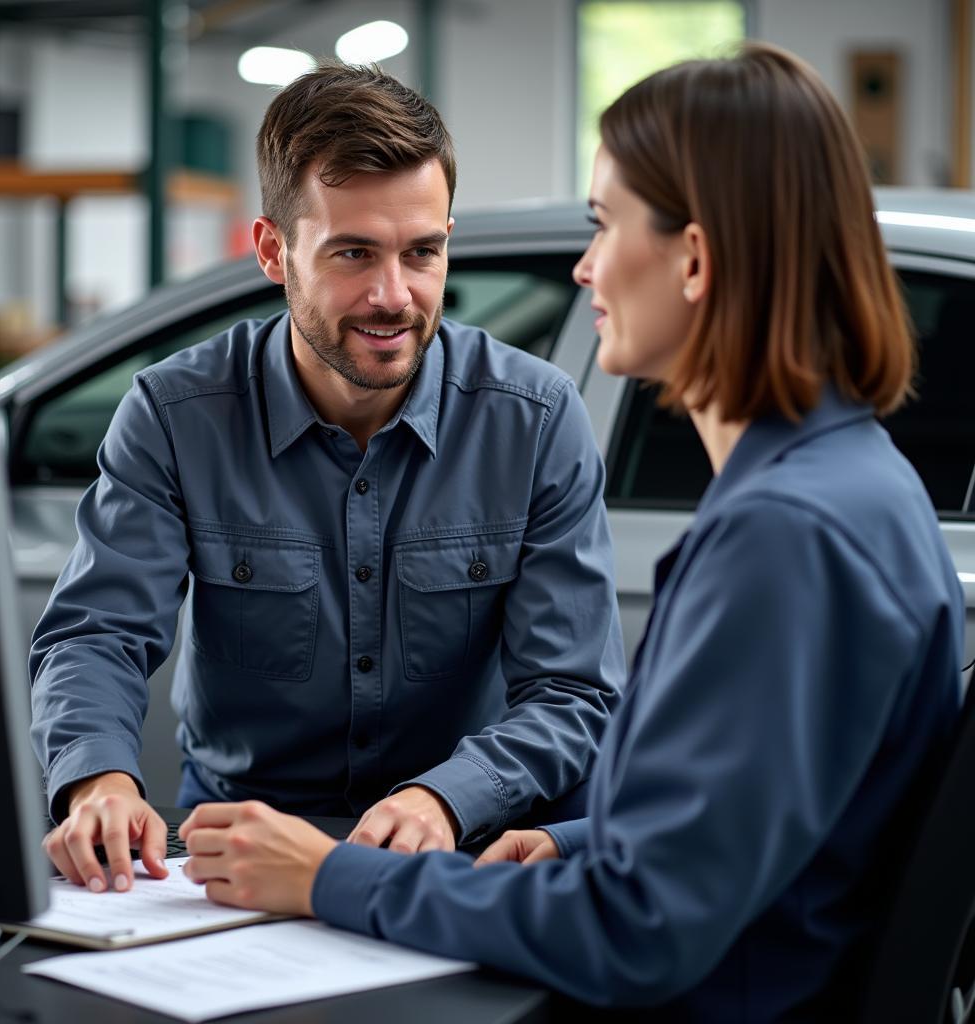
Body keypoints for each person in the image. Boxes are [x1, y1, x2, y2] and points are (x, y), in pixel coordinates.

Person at [177, 42, 965, 1019]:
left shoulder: (788, 537)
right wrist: (580, 840)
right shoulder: (847, 484)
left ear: (694, 257)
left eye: (603, 225)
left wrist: (330, 876)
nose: (586, 267)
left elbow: (638, 927)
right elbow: (760, 827)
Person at [32, 62, 625, 895]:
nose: (395, 296)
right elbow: (97, 633)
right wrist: (98, 778)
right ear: (274, 250)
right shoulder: (175, 413)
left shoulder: (535, 417)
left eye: (424, 253)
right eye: (354, 253)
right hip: (242, 847)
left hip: (457, 849)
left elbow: (570, 691)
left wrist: (444, 798)